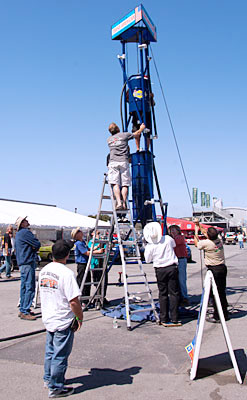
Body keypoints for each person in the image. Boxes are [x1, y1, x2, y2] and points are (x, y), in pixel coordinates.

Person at [39, 239, 83, 398]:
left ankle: (48, 379)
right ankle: (56, 387)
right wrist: (79, 317)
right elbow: (74, 301)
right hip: (62, 319)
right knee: (60, 355)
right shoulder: (66, 273)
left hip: (49, 317)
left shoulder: (45, 270)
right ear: (67, 254)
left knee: (50, 352)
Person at [144, 222, 181, 327]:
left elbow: (147, 260)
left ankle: (164, 317)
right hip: (171, 267)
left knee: (163, 293)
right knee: (174, 293)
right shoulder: (168, 239)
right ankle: (175, 317)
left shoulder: (150, 246)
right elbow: (174, 245)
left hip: (160, 269)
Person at [194, 221, 229, 323]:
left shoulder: (207, 243)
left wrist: (196, 232)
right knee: (221, 292)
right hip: (222, 267)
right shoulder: (219, 240)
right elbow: (206, 233)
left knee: (215, 293)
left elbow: (197, 244)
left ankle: (218, 316)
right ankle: (224, 313)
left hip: (214, 270)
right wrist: (199, 225)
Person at [107, 122, 145, 210]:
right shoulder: (124, 135)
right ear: (117, 128)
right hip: (124, 162)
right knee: (125, 184)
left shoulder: (109, 140)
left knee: (115, 184)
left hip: (113, 162)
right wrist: (142, 128)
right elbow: (137, 134)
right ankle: (124, 203)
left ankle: (119, 203)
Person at [15, 216, 41, 320]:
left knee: (24, 286)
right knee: (29, 286)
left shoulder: (19, 234)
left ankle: (23, 308)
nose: (27, 222)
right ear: (22, 224)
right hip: (27, 261)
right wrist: (34, 246)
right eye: (25, 221)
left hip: (22, 262)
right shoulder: (26, 233)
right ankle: (25, 310)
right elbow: (37, 243)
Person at [71, 227, 104, 307]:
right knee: (83, 281)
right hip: (82, 264)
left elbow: (88, 249)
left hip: (86, 263)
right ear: (76, 235)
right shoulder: (78, 243)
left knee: (88, 281)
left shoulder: (82, 242)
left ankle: (86, 300)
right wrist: (98, 251)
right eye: (79, 231)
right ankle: (82, 300)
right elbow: (86, 252)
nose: (81, 232)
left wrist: (96, 247)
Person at [168, 225, 189, 306]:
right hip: (175, 260)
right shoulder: (172, 238)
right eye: (171, 230)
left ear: (178, 231)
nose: (172, 232)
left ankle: (184, 297)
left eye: (174, 230)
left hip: (181, 259)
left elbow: (172, 244)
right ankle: (178, 296)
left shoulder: (180, 238)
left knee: (182, 279)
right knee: (175, 280)